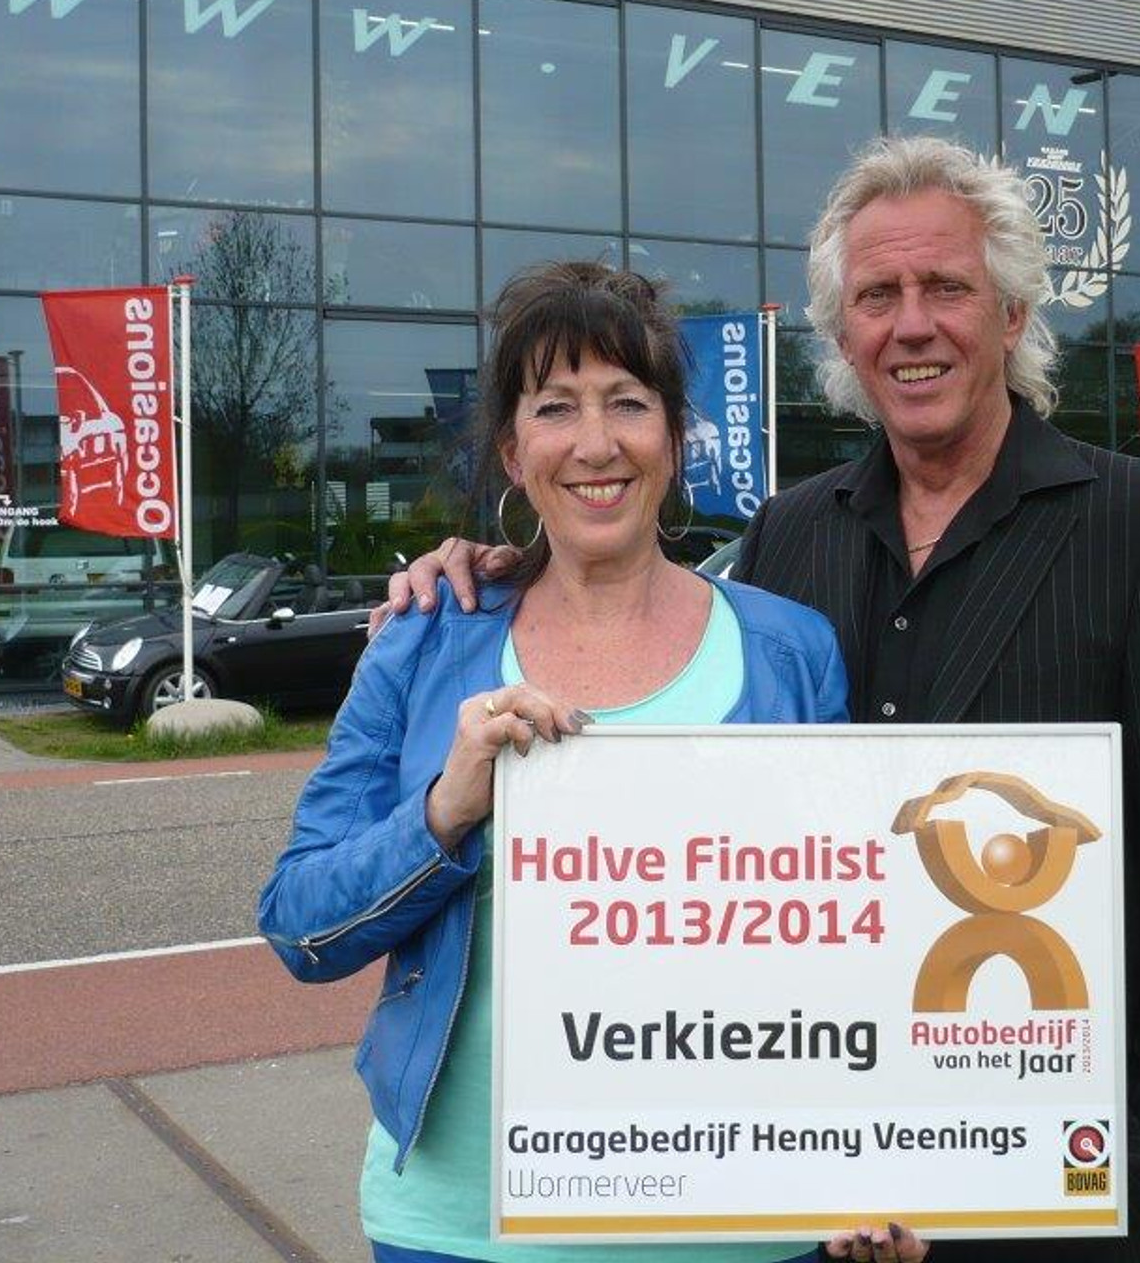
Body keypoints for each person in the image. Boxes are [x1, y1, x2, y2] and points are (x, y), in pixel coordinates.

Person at [383, 137, 1140, 1262]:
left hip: (1049, 1164)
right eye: (877, 297)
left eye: (946, 288)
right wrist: (497, 567)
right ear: (845, 337)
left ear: (1011, 314)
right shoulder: (792, 534)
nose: (913, 325)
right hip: (834, 1181)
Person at [261, 261, 846, 1263]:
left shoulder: (792, 651)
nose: (595, 443)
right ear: (512, 449)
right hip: (468, 1226)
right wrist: (445, 812)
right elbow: (301, 929)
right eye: (555, 407)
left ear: (675, 435)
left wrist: (879, 1156)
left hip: (744, 1220)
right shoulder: (424, 641)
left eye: (628, 402)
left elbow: (851, 946)